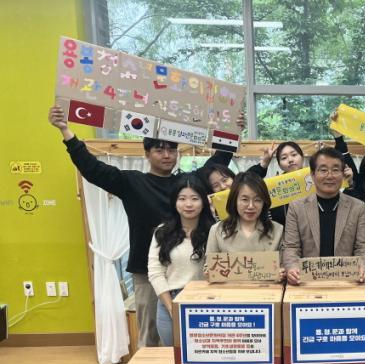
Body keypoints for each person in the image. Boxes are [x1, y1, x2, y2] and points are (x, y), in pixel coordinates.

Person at [48, 104, 242, 347]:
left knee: (197, 334)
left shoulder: (187, 182)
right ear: (147, 154)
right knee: (149, 335)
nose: (166, 155)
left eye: (171, 149)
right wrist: (65, 130)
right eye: (159, 150)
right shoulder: (132, 182)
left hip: (190, 268)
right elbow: (92, 168)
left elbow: (218, 160)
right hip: (147, 271)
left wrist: (233, 131)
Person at [282, 147, 365, 285]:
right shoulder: (296, 207)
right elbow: (291, 247)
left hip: (347, 283)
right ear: (312, 175)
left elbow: (364, 247)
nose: (330, 176)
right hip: (307, 283)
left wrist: (363, 266)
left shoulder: (358, 207)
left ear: (343, 174)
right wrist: (292, 268)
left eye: (335, 170)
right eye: (323, 170)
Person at [147, 176, 213, 346]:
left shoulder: (215, 231)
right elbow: (155, 273)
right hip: (171, 300)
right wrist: (171, 308)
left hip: (207, 302)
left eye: (195, 198)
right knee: (173, 355)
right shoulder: (162, 232)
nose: (188, 204)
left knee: (205, 353)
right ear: (174, 202)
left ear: (204, 202)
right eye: (182, 199)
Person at [205, 172, 284, 281]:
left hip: (266, 290)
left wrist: (281, 273)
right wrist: (209, 273)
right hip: (229, 291)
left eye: (257, 200)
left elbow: (284, 267)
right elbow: (209, 267)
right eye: (244, 199)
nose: (251, 206)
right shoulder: (217, 230)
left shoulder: (277, 230)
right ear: (234, 200)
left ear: (264, 202)